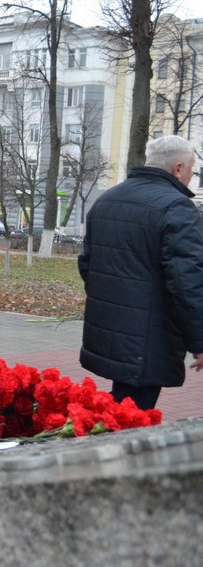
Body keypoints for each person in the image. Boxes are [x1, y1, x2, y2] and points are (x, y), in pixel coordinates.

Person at [79, 134, 203, 410]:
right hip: (148, 341)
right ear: (178, 168)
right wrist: (199, 342)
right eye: (192, 168)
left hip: (113, 333)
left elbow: (88, 265)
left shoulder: (107, 200)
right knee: (129, 420)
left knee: (118, 410)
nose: (192, 176)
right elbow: (187, 282)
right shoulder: (177, 207)